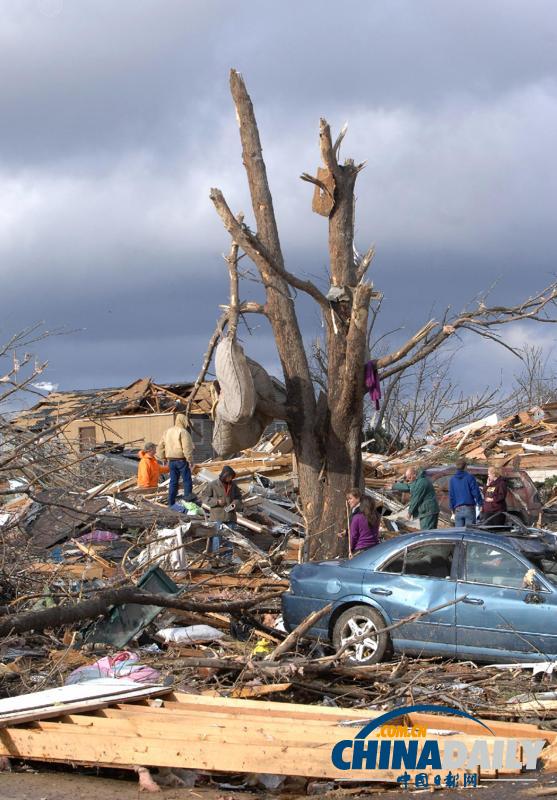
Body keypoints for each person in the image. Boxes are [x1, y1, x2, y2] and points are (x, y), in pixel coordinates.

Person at [203, 465, 243, 555]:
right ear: (223, 476)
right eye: (228, 476)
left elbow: (239, 497)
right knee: (217, 537)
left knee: (229, 538)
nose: (229, 479)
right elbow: (204, 497)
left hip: (230, 516)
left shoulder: (233, 486)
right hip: (217, 516)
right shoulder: (212, 485)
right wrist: (216, 501)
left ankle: (227, 559)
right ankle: (216, 557)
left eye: (231, 477)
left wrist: (235, 504)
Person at [156, 413, 195, 507]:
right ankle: (188, 502)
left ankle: (171, 502)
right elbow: (187, 447)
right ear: (183, 421)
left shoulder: (167, 431)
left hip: (171, 461)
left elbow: (160, 445)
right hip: (181, 460)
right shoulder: (183, 432)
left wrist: (162, 458)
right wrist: (190, 460)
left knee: (173, 481)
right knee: (187, 480)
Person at [449, 458, 483, 526]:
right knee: (469, 533)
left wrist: (452, 509)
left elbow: (451, 496)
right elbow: (475, 492)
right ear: (465, 467)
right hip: (469, 508)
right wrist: (480, 503)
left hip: (458, 509)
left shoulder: (452, 480)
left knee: (459, 534)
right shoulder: (470, 477)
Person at [346, 488, 380, 555]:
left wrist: (351, 550)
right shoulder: (376, 516)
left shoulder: (357, 517)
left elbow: (353, 536)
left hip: (361, 549)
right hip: (375, 548)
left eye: (350, 498)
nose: (348, 501)